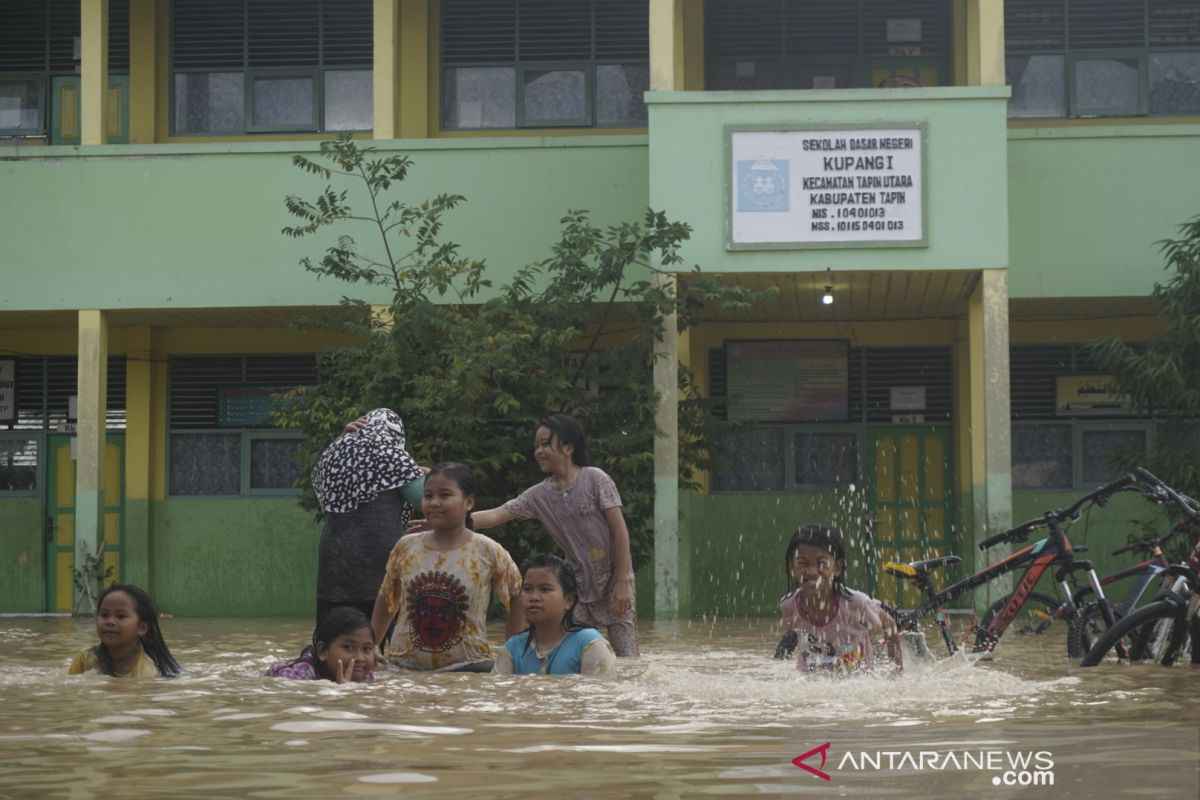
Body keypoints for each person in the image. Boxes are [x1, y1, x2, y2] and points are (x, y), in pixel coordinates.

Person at [413, 414, 639, 657]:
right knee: (574, 653)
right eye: (536, 446)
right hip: (577, 589)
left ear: (568, 447)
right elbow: (497, 515)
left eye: (545, 444)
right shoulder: (538, 495)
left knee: (628, 658)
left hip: (616, 580)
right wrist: (447, 520)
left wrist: (624, 579)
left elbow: (619, 529)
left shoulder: (596, 479)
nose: (538, 451)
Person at [371, 462, 524, 672]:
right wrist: (371, 646)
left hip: (469, 669)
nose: (434, 502)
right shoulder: (406, 546)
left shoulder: (488, 550)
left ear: (468, 502)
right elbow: (388, 597)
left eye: (444, 495)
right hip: (404, 669)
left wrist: (510, 653)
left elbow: (517, 596)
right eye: (428, 496)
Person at [312, 408, 426, 625]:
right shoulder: (393, 456)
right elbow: (423, 499)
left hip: (335, 563)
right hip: (380, 562)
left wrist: (340, 439)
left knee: (335, 639)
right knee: (385, 643)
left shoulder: (332, 454)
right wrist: (425, 474)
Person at [777, 524, 901, 673]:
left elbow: (890, 626)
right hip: (810, 683)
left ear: (837, 567)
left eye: (821, 563)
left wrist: (896, 672)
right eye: (803, 564)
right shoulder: (789, 606)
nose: (811, 571)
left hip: (858, 682)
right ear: (792, 568)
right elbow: (794, 635)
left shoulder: (856, 603)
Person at [494, 554, 616, 676]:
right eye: (527, 589)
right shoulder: (513, 647)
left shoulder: (590, 644)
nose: (534, 597)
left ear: (568, 600)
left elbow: (599, 692)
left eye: (545, 589)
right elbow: (497, 691)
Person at [67, 583, 180, 678]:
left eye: (120, 616)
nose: (110, 621)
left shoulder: (149, 672)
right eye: (104, 615)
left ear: (142, 628)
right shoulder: (84, 658)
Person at [265, 606, 377, 682]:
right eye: (348, 647)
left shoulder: (365, 674)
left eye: (367, 649)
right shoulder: (297, 676)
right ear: (323, 651)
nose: (360, 658)